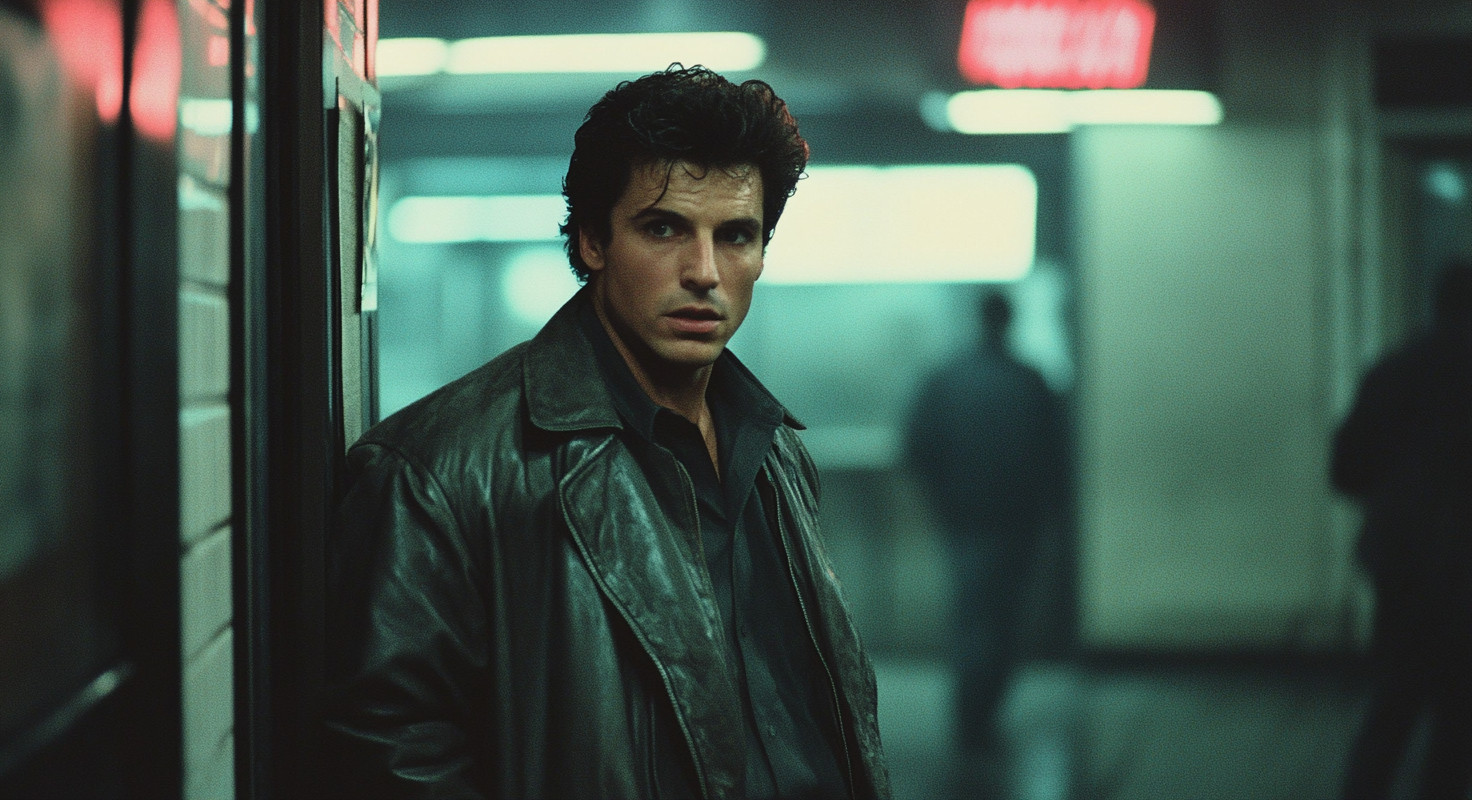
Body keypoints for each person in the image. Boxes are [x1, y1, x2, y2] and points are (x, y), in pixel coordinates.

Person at [322, 65, 890, 800]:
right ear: (593, 241)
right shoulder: (436, 473)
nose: (705, 272)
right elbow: (385, 753)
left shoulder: (774, 448)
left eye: (737, 236)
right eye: (664, 228)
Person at [903, 288, 1069, 759]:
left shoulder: (946, 379)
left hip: (964, 521)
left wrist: (942, 503)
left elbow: (915, 447)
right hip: (1019, 523)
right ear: (1010, 321)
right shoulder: (1031, 381)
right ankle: (986, 707)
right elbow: (1056, 458)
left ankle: (969, 712)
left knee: (972, 614)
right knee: (1006, 615)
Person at [1334, 260, 1472, 800]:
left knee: (1391, 710)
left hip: (1404, 565)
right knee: (1457, 722)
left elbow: (1346, 470)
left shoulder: (1393, 372)